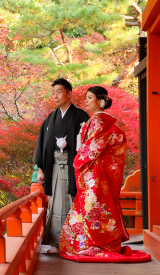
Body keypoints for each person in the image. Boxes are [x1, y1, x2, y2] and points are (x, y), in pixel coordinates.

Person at [59, 86, 151, 262]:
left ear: (100, 101)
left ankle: (94, 244)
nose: (85, 100)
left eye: (90, 97)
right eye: (85, 97)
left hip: (94, 174)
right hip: (97, 173)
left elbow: (91, 148)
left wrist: (77, 161)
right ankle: (100, 243)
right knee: (98, 208)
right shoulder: (98, 122)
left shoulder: (99, 122)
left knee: (92, 208)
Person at [33, 78, 89, 253]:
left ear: (69, 94)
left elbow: (88, 145)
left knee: (72, 204)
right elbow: (42, 144)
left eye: (59, 92)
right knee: (55, 205)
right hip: (54, 168)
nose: (55, 96)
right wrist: (40, 169)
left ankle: (74, 243)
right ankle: (56, 243)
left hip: (75, 169)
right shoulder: (51, 118)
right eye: (54, 92)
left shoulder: (81, 117)